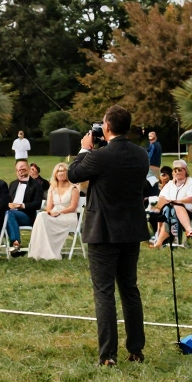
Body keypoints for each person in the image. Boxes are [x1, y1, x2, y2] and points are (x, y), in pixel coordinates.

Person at [67, 105, 149, 366]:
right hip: (131, 230)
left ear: (108, 127)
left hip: (103, 232)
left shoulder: (100, 156)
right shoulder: (141, 155)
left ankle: (108, 356)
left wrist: (83, 148)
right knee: (129, 289)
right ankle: (136, 350)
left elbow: (73, 174)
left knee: (104, 293)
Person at [28, 162, 81, 260]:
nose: (61, 173)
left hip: (68, 216)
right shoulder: (52, 188)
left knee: (43, 219)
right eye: (58, 171)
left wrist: (60, 213)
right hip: (53, 215)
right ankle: (39, 251)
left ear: (67, 173)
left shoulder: (73, 188)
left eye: (63, 171)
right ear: (55, 174)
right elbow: (49, 206)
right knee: (41, 216)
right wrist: (50, 212)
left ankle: (49, 253)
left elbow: (73, 207)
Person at [149, 159, 192, 248]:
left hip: (187, 212)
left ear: (186, 171)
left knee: (176, 207)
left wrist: (178, 201)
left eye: (180, 170)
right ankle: (189, 231)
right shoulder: (169, 184)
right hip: (168, 211)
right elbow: (162, 198)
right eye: (175, 170)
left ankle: (188, 230)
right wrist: (170, 202)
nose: (177, 172)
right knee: (169, 210)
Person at [4, 159, 46, 257]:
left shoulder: (36, 185)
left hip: (27, 216)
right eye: (18, 170)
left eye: (23, 169)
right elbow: (6, 200)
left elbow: (37, 204)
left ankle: (15, 243)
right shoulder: (13, 184)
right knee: (2, 213)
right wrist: (9, 204)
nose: (21, 171)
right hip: (10, 213)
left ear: (28, 168)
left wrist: (21, 205)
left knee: (8, 214)